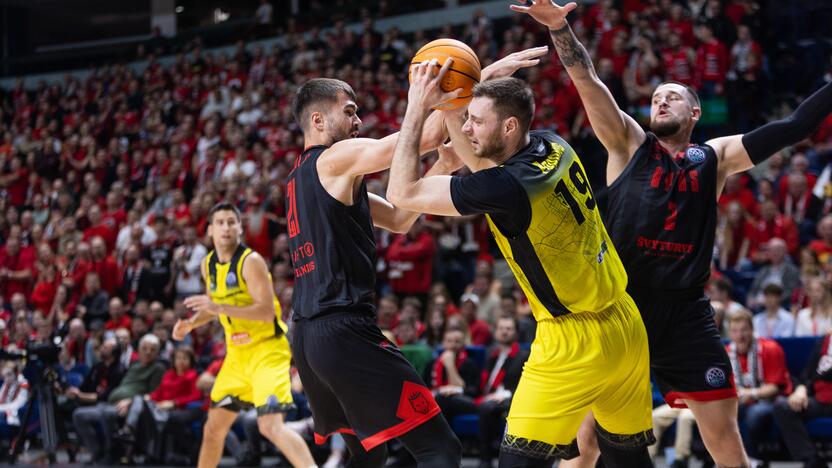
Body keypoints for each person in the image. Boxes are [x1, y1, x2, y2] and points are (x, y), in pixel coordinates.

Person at [511, 1, 832, 466]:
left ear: (695, 112)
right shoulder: (627, 143)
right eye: (657, 96)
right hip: (622, 308)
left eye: (673, 96)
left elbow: (795, 126)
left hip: (685, 315)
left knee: (725, 440)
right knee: (586, 444)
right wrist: (560, 27)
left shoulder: (715, 156)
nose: (661, 100)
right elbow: (587, 80)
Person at [387, 62, 653, 466]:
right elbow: (479, 164)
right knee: (628, 460)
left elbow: (403, 191)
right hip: (625, 324)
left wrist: (417, 106)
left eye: (476, 121)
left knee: (517, 463)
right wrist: (451, 104)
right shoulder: (553, 143)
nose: (468, 128)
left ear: (509, 127)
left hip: (573, 340)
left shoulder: (506, 186)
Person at [285, 76, 461, 467]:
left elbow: (399, 219)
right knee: (440, 448)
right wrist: (471, 85)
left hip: (309, 338)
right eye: (348, 112)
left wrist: (444, 165)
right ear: (317, 120)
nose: (358, 120)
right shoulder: (333, 159)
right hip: (344, 330)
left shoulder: (300, 178)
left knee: (368, 457)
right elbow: (426, 136)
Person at [173, 202, 316, 468]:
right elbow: (214, 305)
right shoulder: (208, 265)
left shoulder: (251, 261)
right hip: (237, 357)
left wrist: (217, 307)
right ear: (210, 230)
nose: (226, 228)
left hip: (267, 351)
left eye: (231, 222)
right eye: (220, 223)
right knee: (213, 429)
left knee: (271, 427)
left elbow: (265, 312)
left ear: (240, 227)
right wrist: (191, 323)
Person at [772, 330, 832, 468]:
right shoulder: (825, 341)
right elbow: (808, 373)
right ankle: (812, 461)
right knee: (783, 406)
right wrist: (801, 390)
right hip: (820, 399)